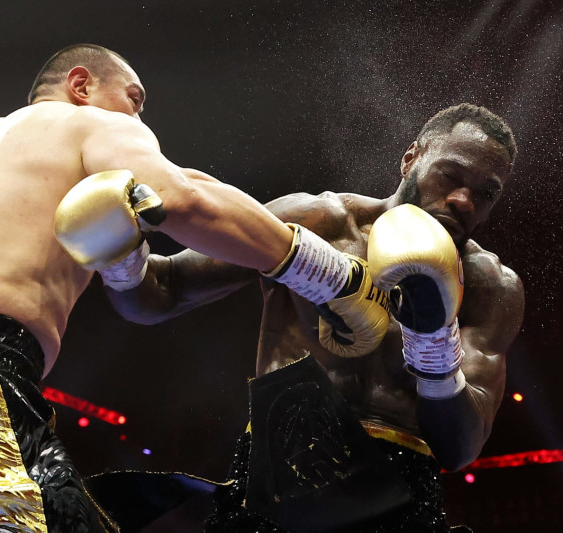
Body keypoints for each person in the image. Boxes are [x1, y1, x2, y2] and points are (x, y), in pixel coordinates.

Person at [0, 43, 353, 533]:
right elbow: (180, 199)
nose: (138, 120)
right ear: (82, 86)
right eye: (134, 100)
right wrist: (328, 274)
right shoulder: (92, 126)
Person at [104, 103, 525, 532]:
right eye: (450, 176)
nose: (462, 200)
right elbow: (162, 292)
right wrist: (117, 252)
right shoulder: (319, 222)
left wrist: (434, 340)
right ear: (411, 158)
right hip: (279, 476)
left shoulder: (490, 287)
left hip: (403, 501)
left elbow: (460, 448)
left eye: (486, 193)